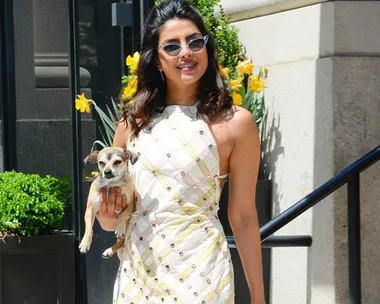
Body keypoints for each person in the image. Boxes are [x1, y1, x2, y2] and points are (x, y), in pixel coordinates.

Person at [97, 0, 265, 303]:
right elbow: (114, 217)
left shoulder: (236, 123)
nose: (186, 52)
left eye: (194, 42)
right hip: (140, 272)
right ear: (157, 61)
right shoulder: (132, 122)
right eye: (172, 47)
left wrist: (258, 296)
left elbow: (242, 215)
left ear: (206, 49)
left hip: (203, 271)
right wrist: (107, 217)